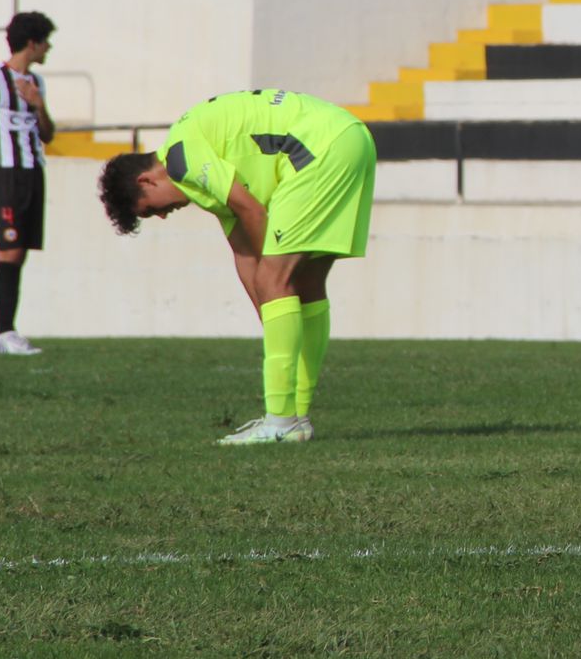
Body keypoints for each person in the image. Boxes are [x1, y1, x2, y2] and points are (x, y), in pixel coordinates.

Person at [97, 89, 376, 445]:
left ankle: (280, 421)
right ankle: (296, 418)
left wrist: (273, 287)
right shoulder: (198, 171)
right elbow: (244, 254)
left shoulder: (182, 157)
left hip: (321, 149)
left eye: (151, 210)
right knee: (305, 285)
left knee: (278, 279)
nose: (163, 216)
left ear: (146, 181)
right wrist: (274, 313)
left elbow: (253, 212)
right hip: (350, 137)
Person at [0, 11, 55, 355]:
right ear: (32, 43)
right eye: (46, 42)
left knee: (19, 255)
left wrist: (39, 105)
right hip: (5, 174)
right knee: (9, 250)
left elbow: (48, 134)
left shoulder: (37, 84)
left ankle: (7, 331)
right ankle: (3, 333)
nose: (49, 48)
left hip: (33, 172)